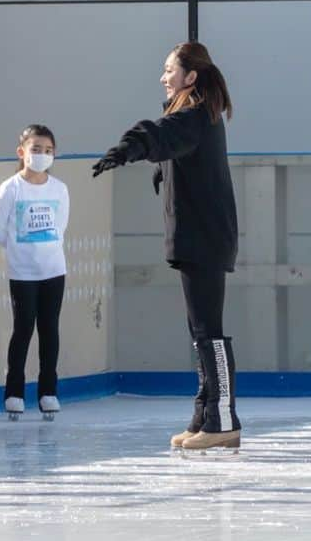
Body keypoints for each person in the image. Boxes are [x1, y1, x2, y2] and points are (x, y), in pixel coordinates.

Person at [92, 42, 240, 451]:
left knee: (208, 330)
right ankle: (205, 415)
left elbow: (158, 135)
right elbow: (170, 146)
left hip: (204, 238)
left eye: (169, 69)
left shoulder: (195, 116)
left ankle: (223, 418)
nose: (163, 76)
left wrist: (126, 149)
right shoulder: (194, 118)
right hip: (197, 237)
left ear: (191, 76)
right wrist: (161, 169)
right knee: (199, 331)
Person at [0, 125, 69, 421]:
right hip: (22, 272)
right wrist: (21, 251)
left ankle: (48, 392)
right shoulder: (10, 188)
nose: (42, 155)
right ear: (21, 152)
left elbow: (60, 226)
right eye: (36, 149)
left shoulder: (59, 188)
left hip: (53, 269)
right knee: (23, 329)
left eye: (48, 150)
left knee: (50, 329)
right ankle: (14, 393)